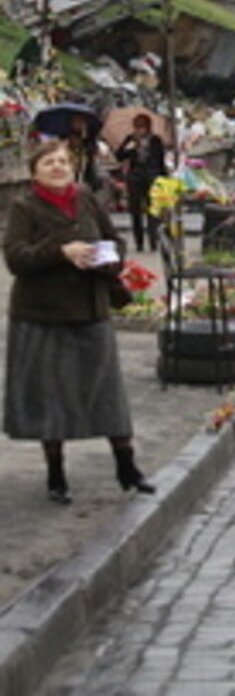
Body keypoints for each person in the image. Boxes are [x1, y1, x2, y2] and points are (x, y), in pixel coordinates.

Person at [4, 140, 155, 505]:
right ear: (35, 173)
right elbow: (16, 259)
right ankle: (56, 475)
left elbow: (114, 241)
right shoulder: (24, 207)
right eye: (49, 163)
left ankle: (127, 467)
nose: (58, 167)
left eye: (62, 161)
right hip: (43, 316)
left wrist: (108, 259)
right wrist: (61, 251)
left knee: (106, 393)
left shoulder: (86, 197)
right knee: (50, 399)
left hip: (90, 309)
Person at [115, 113, 168, 252]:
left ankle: (153, 240)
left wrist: (164, 178)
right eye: (136, 127)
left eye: (142, 127)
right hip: (135, 177)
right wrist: (129, 148)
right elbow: (119, 155)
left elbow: (160, 160)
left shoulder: (155, 140)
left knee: (153, 210)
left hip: (152, 176)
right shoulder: (130, 139)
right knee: (135, 210)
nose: (139, 131)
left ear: (148, 127)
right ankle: (139, 241)